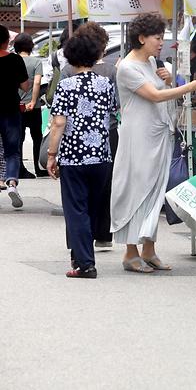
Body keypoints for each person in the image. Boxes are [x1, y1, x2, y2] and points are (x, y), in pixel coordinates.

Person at [110, 14, 196, 273]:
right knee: (137, 190)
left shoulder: (153, 62)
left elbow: (160, 90)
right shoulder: (127, 67)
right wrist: (189, 87)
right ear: (141, 38)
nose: (160, 43)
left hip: (159, 135)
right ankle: (130, 252)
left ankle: (149, 249)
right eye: (157, 38)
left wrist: (167, 79)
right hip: (138, 139)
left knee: (155, 191)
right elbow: (153, 96)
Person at [45, 27, 118, 279]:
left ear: (71, 55)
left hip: (74, 156)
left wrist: (52, 154)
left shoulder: (65, 86)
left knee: (76, 209)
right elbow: (111, 113)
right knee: (91, 208)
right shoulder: (106, 84)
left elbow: (58, 123)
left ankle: (86, 264)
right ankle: (79, 259)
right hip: (101, 155)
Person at [59, 23, 116, 248]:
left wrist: (53, 152)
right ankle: (102, 234)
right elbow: (117, 105)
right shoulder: (111, 72)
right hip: (105, 137)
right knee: (102, 190)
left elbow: (59, 116)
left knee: (75, 199)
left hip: (73, 144)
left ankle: (77, 243)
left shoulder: (67, 73)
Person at [0, 25, 30, 208]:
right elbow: (25, 86)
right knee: (12, 151)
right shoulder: (15, 60)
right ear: (7, 41)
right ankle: (11, 182)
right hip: (10, 109)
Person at [13, 33, 47, 179]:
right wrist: (33, 101)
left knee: (18, 138)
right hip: (34, 107)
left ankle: (19, 169)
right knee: (37, 137)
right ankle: (38, 169)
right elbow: (37, 82)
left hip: (16, 106)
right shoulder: (36, 62)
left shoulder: (12, 61)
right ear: (31, 46)